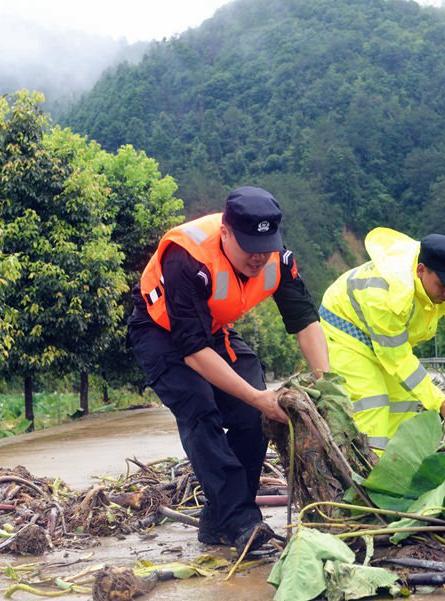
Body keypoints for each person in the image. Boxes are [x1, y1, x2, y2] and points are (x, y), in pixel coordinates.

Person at [127, 186, 329, 551]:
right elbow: (192, 351)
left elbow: (304, 321)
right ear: (225, 233)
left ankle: (219, 522)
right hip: (161, 332)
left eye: (265, 246)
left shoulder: (278, 261)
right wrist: (258, 397)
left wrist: (326, 383)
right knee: (199, 407)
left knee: (252, 419)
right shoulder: (186, 256)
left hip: (215, 331)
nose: (259, 258)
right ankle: (242, 521)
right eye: (249, 246)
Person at [320, 228, 445, 452]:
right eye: (442, 285)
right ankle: (366, 474)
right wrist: (440, 402)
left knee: (403, 402)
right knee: (372, 401)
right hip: (347, 331)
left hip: (386, 339)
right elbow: (398, 359)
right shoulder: (388, 295)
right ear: (420, 270)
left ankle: (398, 467)